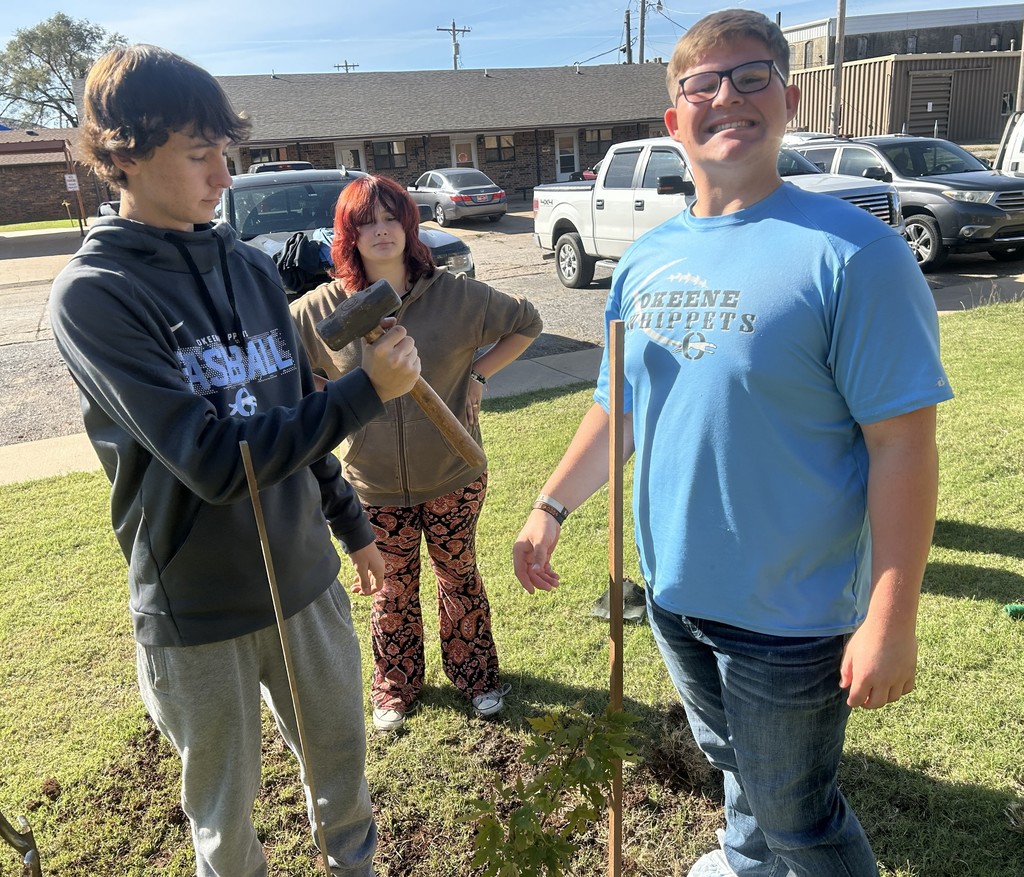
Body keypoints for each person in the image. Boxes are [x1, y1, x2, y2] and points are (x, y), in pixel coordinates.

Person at [513, 10, 953, 877]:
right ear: (674, 120)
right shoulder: (645, 261)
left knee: (804, 817)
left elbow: (904, 445)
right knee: (735, 765)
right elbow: (620, 403)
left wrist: (891, 617)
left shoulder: (856, 256)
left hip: (787, 617)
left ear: (787, 99)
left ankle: (773, 852)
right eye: (702, 85)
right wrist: (550, 504)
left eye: (752, 77)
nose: (727, 97)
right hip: (676, 592)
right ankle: (746, 862)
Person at [49, 45, 421, 877]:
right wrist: (367, 392)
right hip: (198, 611)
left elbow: (291, 412)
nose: (223, 174)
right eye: (198, 153)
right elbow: (217, 462)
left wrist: (352, 527)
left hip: (306, 582)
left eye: (227, 150)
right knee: (225, 820)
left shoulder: (251, 269)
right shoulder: (95, 294)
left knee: (345, 786)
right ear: (124, 154)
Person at [290, 175, 542, 732]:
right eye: (365, 222)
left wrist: (478, 371)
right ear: (348, 234)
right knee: (390, 588)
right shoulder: (319, 309)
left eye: (390, 219)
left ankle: (476, 676)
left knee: (459, 576)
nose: (380, 231)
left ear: (409, 226)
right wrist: (329, 401)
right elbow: (293, 370)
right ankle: (396, 685)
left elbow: (527, 322)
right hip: (372, 484)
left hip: (453, 471)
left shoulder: (456, 295)